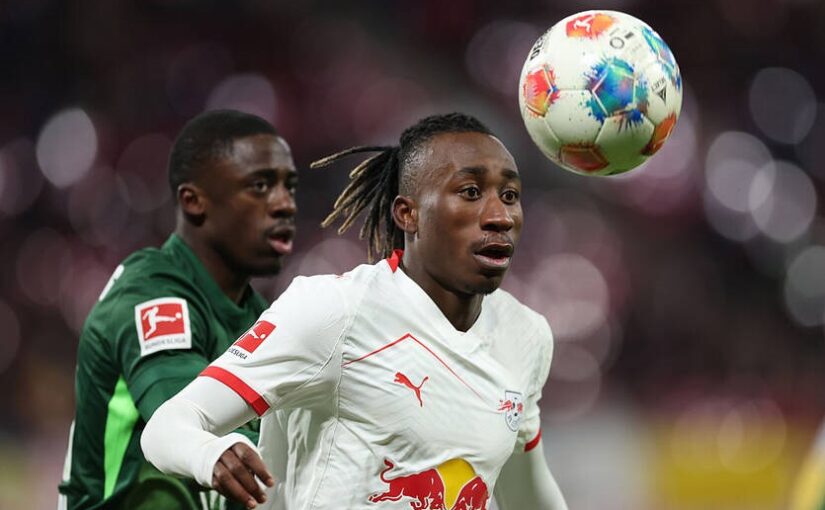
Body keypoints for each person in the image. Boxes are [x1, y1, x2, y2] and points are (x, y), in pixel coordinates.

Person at [141, 112, 568, 510]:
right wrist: (210, 454)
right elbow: (168, 426)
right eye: (471, 192)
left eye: (510, 195)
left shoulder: (525, 335)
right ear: (408, 214)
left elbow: (524, 495)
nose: (500, 216)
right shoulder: (335, 311)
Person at [58, 109, 298, 510]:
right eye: (260, 186)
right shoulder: (150, 295)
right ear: (194, 201)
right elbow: (184, 419)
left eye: (289, 186)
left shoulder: (261, 317)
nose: (285, 204)